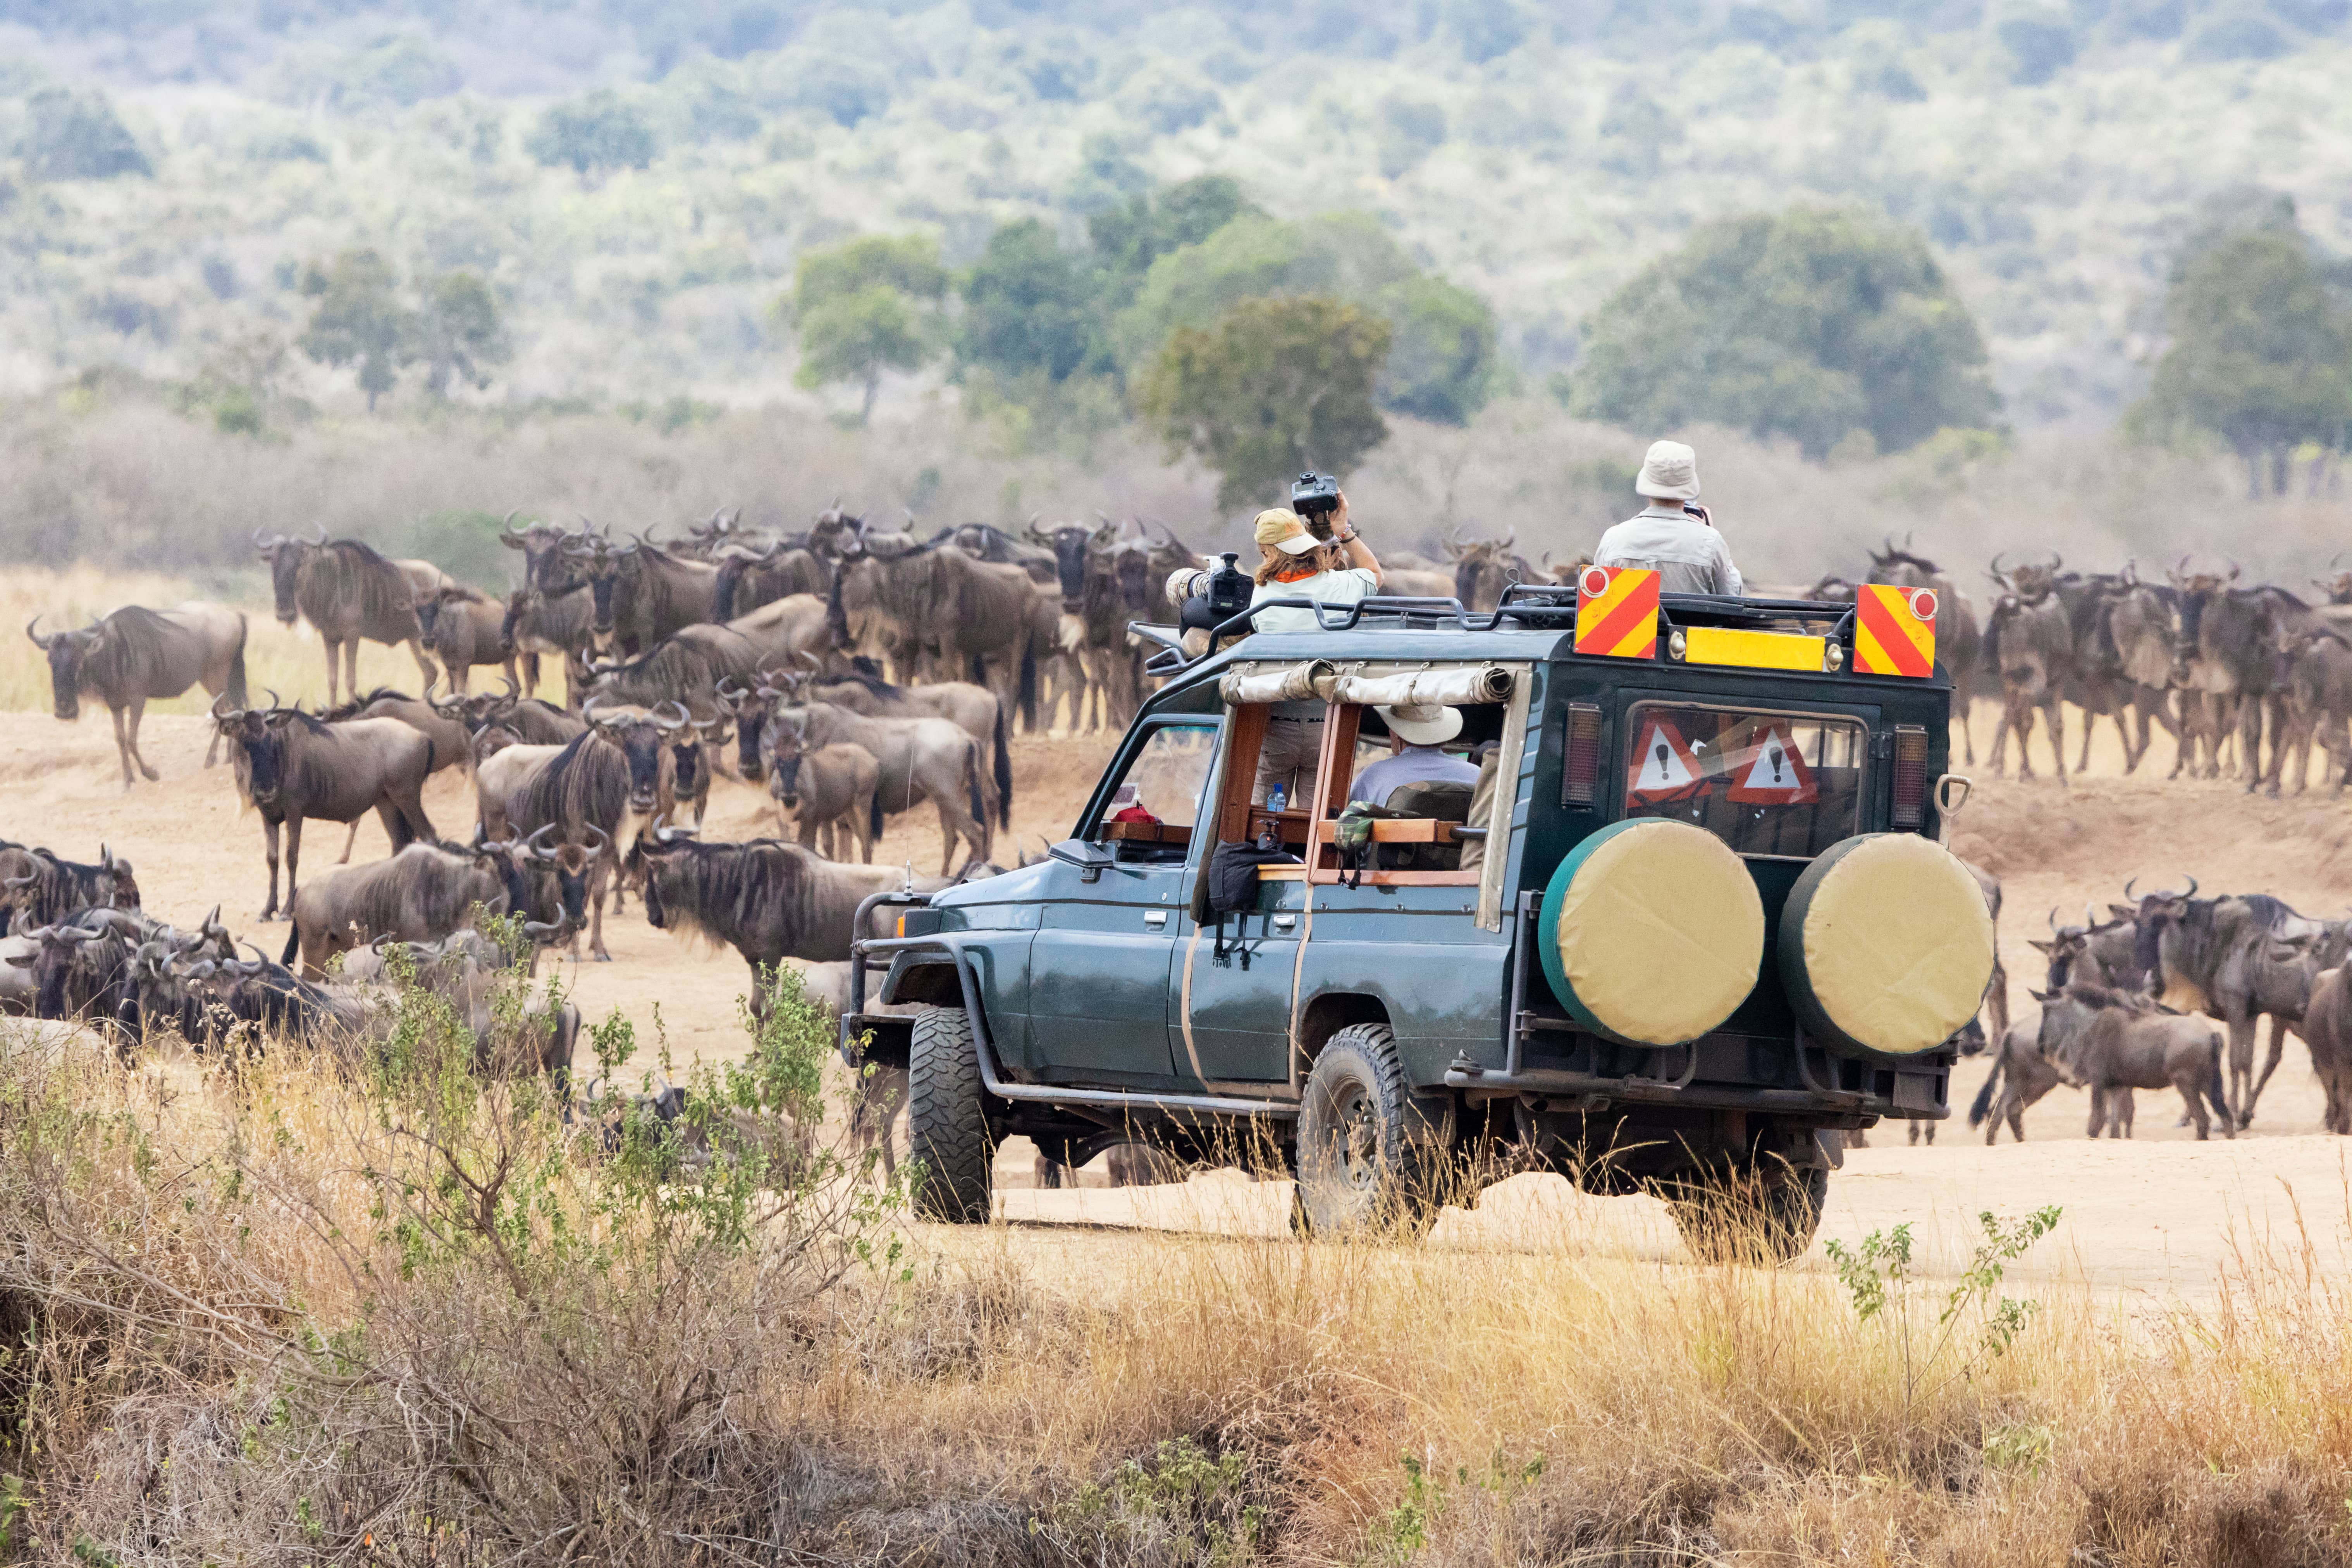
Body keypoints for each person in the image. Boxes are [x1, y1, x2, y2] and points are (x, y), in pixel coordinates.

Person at [1248, 493, 1384, 805]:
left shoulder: (1261, 598)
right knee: (1314, 820)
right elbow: (1376, 574)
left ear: (1264, 551)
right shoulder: (1338, 586)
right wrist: (1342, 530)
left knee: (1269, 821)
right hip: (1326, 725)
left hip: (1277, 726)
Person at [1592, 440, 1744, 596]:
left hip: (1625, 622)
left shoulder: (1613, 539)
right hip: (1690, 623)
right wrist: (1709, 533)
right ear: (1689, 486)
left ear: (1647, 482)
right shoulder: (1711, 542)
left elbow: (1599, 597)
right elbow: (1731, 596)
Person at [1349, 704, 1480, 806]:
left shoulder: (1373, 776)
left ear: (1396, 734)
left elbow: (1347, 824)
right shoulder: (1477, 775)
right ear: (1444, 735)